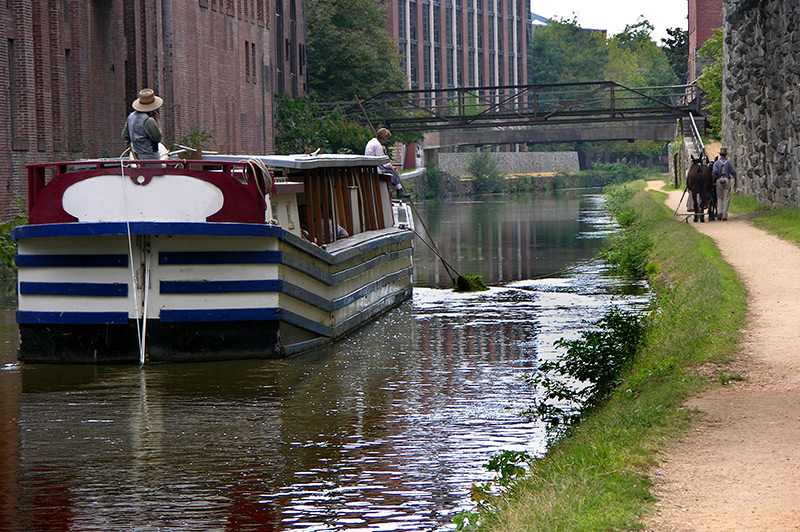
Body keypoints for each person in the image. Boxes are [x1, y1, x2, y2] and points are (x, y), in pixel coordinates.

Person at [365, 127, 410, 198]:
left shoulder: (373, 142)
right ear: (383, 137)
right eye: (386, 138)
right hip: (375, 167)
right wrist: (391, 166)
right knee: (393, 173)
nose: (386, 140)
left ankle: (398, 190)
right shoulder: (377, 145)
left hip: (372, 165)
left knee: (391, 172)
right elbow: (382, 160)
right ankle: (399, 191)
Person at [122, 88, 164, 159]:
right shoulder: (149, 120)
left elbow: (125, 135)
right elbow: (158, 138)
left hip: (136, 155)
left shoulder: (131, 117)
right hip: (150, 155)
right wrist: (157, 121)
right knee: (159, 169)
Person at [711, 147, 737, 221]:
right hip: (726, 179)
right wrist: (735, 182)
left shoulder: (716, 163)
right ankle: (725, 215)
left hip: (719, 180)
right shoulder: (728, 163)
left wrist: (713, 181)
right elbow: (734, 173)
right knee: (726, 198)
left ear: (720, 155)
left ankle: (719, 212)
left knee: (719, 198)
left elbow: (714, 173)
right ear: (725, 155)